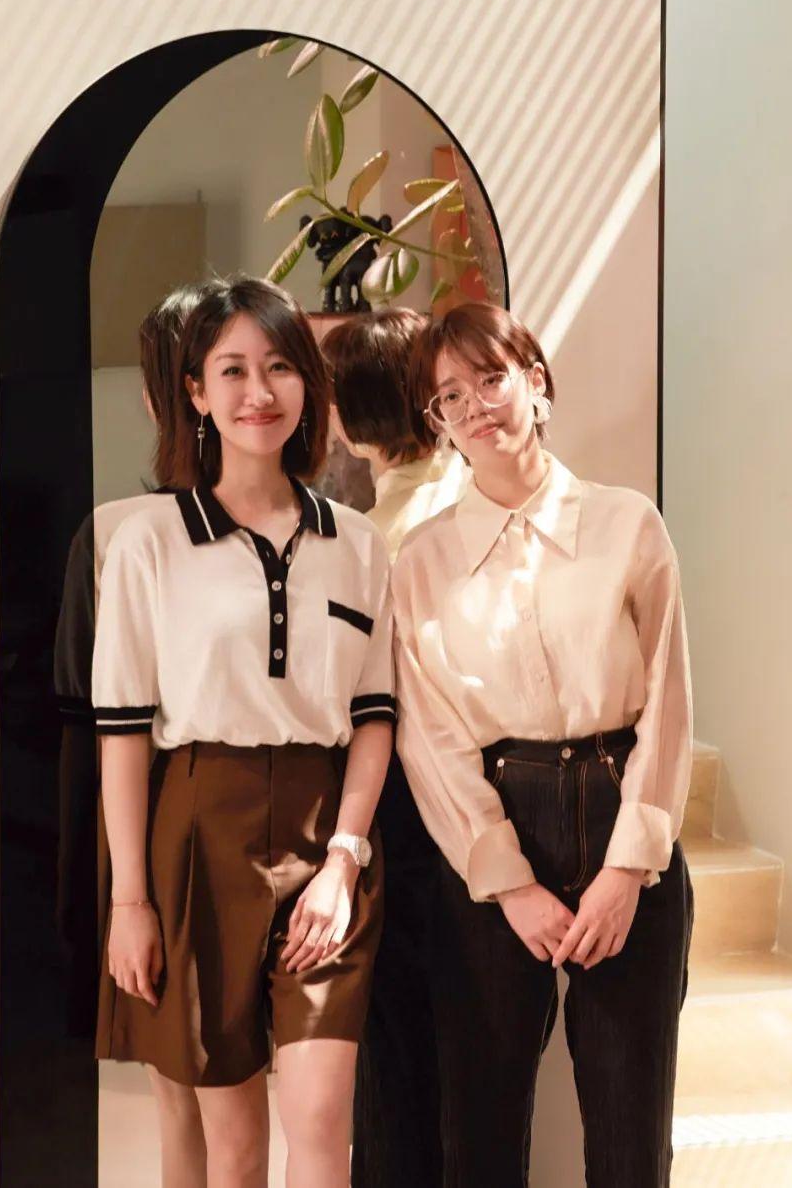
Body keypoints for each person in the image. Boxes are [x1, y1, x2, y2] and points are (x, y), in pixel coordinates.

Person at [92, 274, 395, 1188]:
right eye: (232, 371)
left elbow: (374, 718)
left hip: (326, 834)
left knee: (322, 1120)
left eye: (279, 368)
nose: (258, 392)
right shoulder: (149, 542)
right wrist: (132, 903)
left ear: (308, 384)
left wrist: (344, 861)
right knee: (233, 1143)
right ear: (196, 393)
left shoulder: (358, 543)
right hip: (197, 828)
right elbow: (122, 732)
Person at [392, 302, 694, 1188]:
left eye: (491, 378)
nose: (476, 406)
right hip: (491, 829)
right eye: (451, 396)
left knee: (631, 1137)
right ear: (439, 423)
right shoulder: (421, 561)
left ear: (536, 383)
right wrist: (510, 883)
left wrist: (629, 866)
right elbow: (431, 737)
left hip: (620, 806)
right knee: (479, 1135)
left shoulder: (629, 524)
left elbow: (669, 702)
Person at [54, 282, 209, 1184]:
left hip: (149, 833)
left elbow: (84, 723)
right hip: (214, 834)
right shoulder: (319, 525)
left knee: (181, 1097)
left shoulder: (114, 533)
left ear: (155, 399)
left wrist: (97, 895)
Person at [321, 309, 467, 1188]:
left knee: (398, 1036)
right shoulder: (468, 493)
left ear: (352, 411)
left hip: (407, 800)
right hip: (477, 793)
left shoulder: (378, 537)